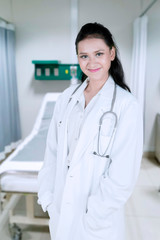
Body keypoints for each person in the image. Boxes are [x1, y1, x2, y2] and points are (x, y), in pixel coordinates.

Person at [37, 22, 143, 240]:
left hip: (97, 222)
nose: (91, 62)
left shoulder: (126, 105)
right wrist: (48, 198)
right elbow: (52, 153)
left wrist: (94, 216)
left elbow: (123, 176)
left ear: (111, 53)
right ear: (77, 58)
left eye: (99, 53)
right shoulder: (66, 98)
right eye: (84, 56)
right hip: (60, 209)